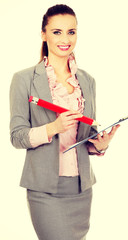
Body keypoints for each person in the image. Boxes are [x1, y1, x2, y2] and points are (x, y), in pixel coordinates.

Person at [10, 4, 120, 240]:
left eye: (71, 31)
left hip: (81, 188)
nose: (65, 38)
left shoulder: (87, 81)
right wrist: (53, 127)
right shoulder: (23, 79)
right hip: (44, 190)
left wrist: (99, 145)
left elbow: (85, 137)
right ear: (43, 34)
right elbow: (16, 137)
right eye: (57, 31)